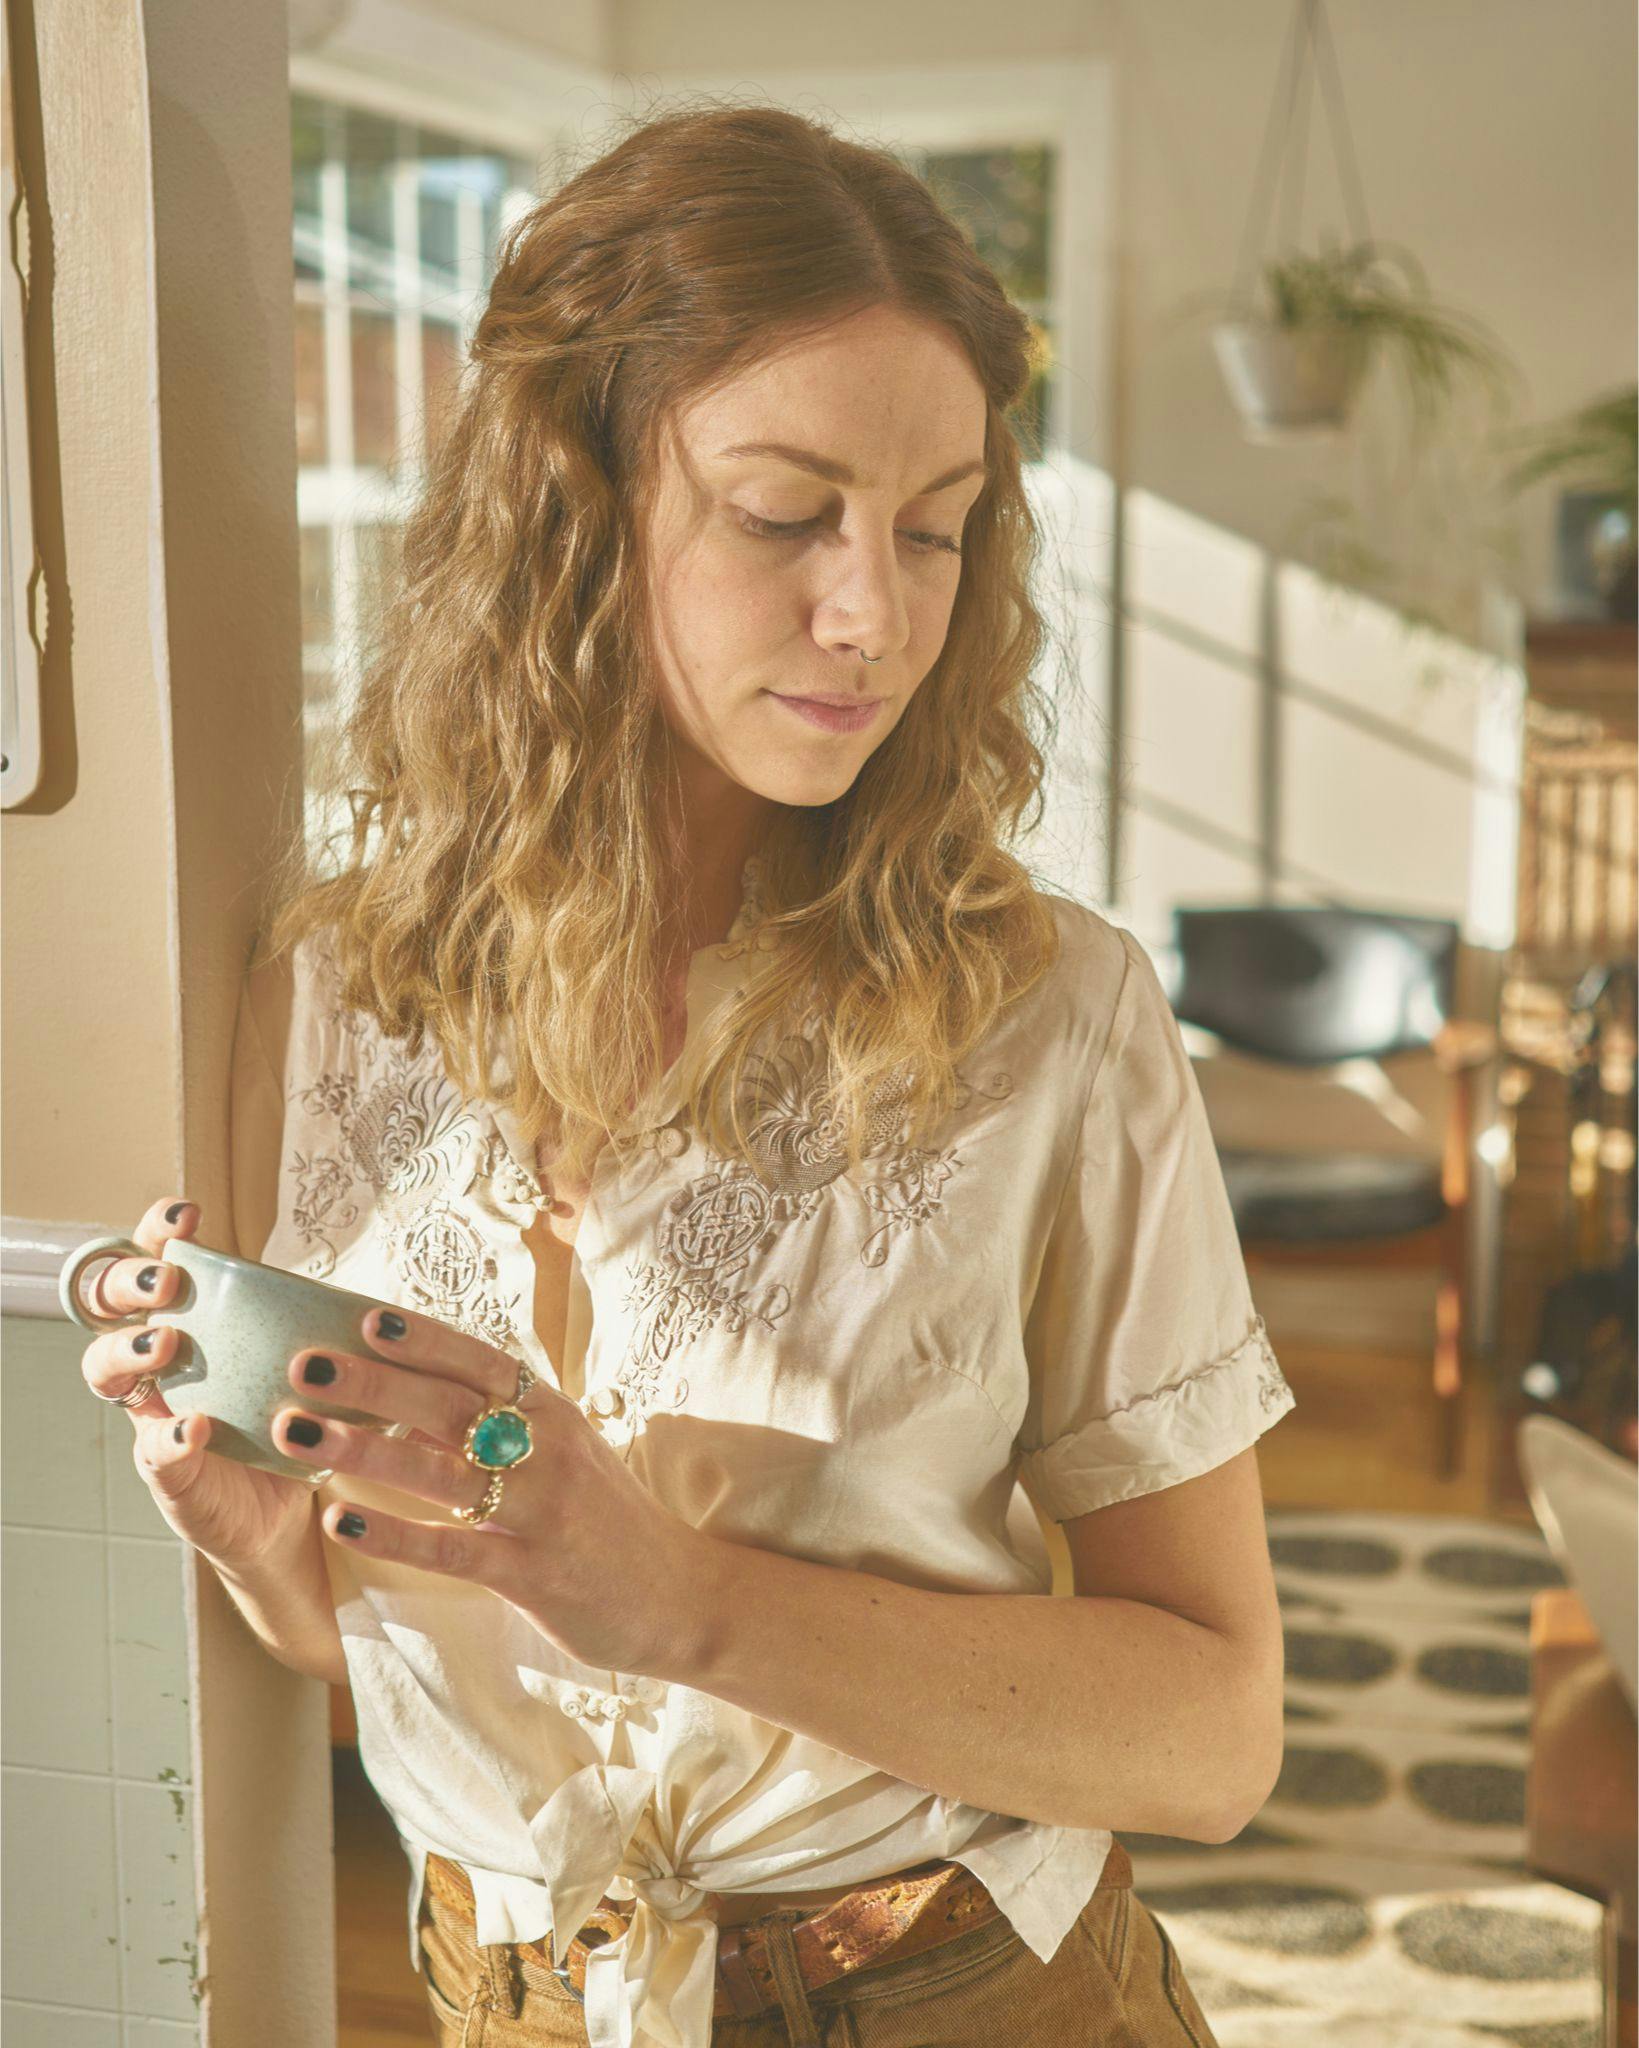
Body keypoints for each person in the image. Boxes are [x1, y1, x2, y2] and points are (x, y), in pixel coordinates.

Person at [78, 100, 1296, 2048]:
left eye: (932, 528)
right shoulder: (328, 994)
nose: (872, 615)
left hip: (962, 1996)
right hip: (513, 2003)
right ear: (570, 504)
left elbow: (1217, 1733)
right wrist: (271, 1568)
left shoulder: (1052, 1013)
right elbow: (414, 1665)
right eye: (785, 510)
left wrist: (688, 1596)